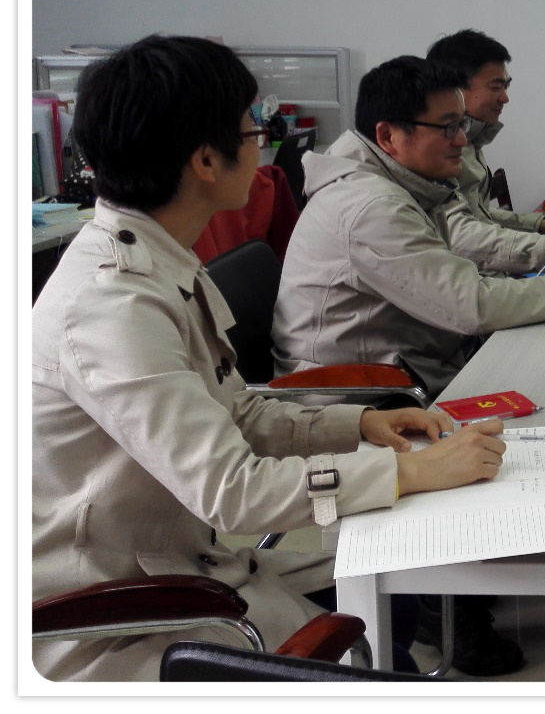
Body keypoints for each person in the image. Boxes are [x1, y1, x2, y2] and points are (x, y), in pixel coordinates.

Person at [32, 36, 509, 681]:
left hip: (181, 561)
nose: (263, 144)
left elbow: (236, 412)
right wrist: (410, 471)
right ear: (206, 159)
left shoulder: (159, 262)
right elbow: (233, 493)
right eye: (252, 128)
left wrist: (359, 424)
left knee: (386, 573)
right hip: (113, 610)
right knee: (378, 608)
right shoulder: (110, 306)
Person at [272, 55, 545, 400]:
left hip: (410, 368)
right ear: (388, 136)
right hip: (359, 398)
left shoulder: (412, 182)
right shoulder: (372, 208)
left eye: (462, 125)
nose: (462, 140)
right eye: (449, 127)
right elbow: (472, 305)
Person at [426, 29, 545, 275]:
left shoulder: (471, 142)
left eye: (506, 87)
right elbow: (459, 234)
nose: (505, 98)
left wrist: (542, 225)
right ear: (455, 89)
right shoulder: (438, 152)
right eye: (496, 87)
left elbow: (478, 217)